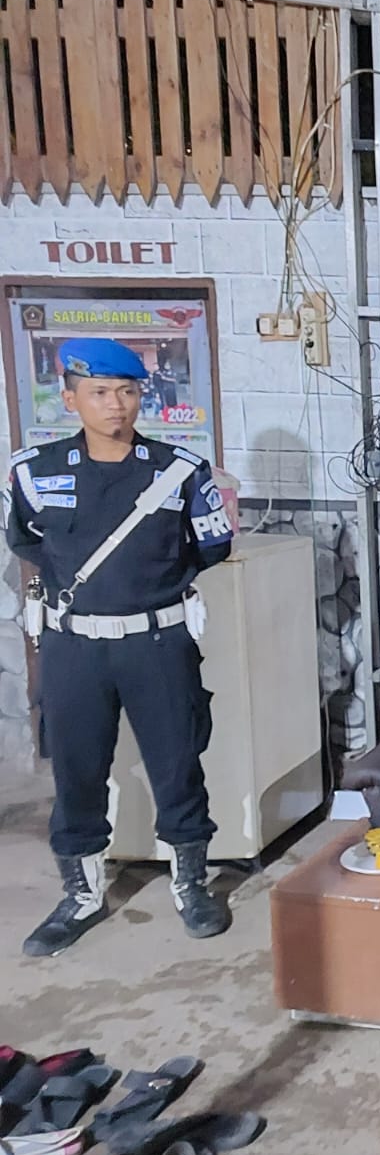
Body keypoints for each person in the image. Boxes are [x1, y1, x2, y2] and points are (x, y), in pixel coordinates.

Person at [5, 338, 234, 956]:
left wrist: (148, 587)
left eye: (128, 392)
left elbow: (212, 546)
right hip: (73, 647)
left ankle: (191, 885)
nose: (116, 404)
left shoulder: (179, 471)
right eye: (100, 392)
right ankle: (80, 895)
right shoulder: (33, 472)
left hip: (157, 642)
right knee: (77, 770)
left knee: (178, 764)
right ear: (70, 399)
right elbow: (26, 541)